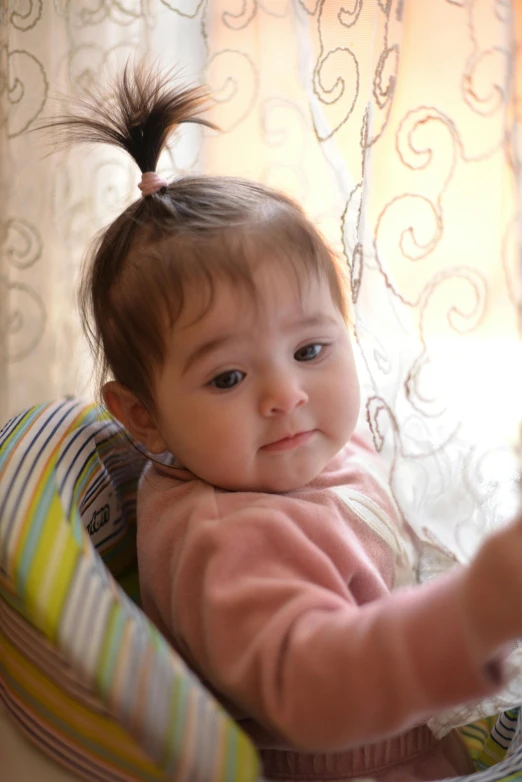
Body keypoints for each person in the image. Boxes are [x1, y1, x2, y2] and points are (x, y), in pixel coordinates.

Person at [49, 63, 522, 781]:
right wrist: (476, 610)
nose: (286, 394)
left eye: (309, 349)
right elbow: (314, 687)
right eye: (228, 377)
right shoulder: (226, 541)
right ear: (144, 417)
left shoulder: (293, 449)